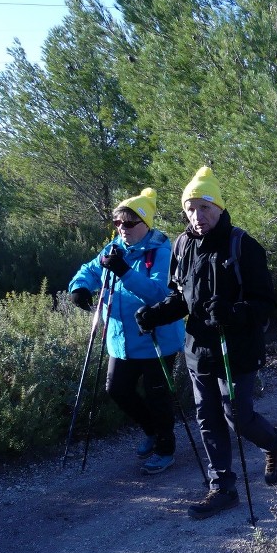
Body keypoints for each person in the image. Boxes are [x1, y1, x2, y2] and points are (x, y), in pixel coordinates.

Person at [135, 166, 277, 520]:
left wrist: (234, 312)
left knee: (238, 417)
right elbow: (180, 297)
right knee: (207, 417)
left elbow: (265, 303)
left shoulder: (243, 245)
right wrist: (155, 314)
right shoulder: (182, 244)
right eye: (190, 207)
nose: (197, 215)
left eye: (204, 207)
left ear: (219, 207)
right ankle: (222, 487)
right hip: (199, 349)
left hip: (237, 348)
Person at [68, 188, 185, 475]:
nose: (122, 228)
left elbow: (158, 294)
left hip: (157, 338)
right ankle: (152, 431)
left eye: (129, 223)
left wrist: (123, 271)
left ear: (146, 224)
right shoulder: (113, 249)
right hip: (121, 340)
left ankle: (165, 449)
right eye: (118, 223)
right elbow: (89, 270)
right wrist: (79, 288)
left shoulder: (161, 251)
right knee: (117, 389)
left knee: (158, 397)